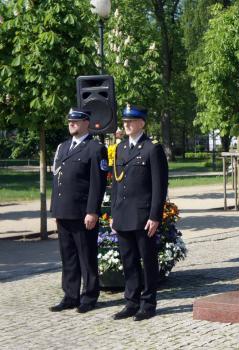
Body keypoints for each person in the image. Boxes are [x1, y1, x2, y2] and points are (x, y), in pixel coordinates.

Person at [111, 105, 169, 321]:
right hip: (124, 215)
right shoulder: (121, 148)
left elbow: (159, 187)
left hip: (143, 216)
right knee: (128, 261)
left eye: (131, 121)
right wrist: (113, 214)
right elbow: (116, 185)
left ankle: (148, 303)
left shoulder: (152, 149)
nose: (126, 124)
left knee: (148, 260)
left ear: (142, 123)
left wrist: (155, 216)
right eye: (125, 121)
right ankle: (131, 302)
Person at [49, 108, 108, 313]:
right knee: (68, 256)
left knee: (86, 256)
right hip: (63, 211)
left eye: (75, 121)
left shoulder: (94, 148)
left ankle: (90, 296)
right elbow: (58, 180)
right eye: (69, 121)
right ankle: (70, 295)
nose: (71, 124)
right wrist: (54, 209)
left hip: (83, 213)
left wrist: (92, 211)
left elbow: (97, 183)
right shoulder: (63, 147)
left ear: (86, 123)